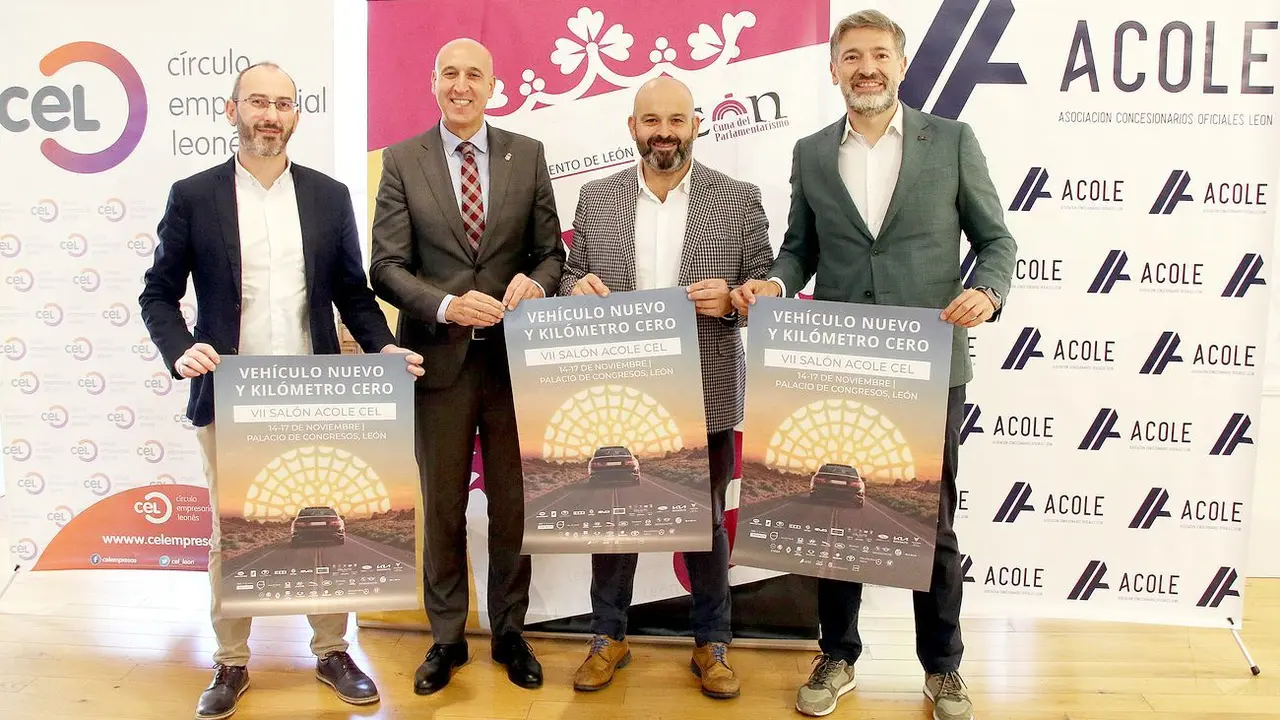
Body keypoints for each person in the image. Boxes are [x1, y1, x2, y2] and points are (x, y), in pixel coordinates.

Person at [730, 9, 1016, 720]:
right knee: (838, 517)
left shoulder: (950, 141)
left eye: (879, 55)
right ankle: (838, 654)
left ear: (900, 63)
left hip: (928, 363)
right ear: (834, 69)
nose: (866, 68)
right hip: (839, 362)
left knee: (934, 523)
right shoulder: (810, 152)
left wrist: (987, 290)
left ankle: (942, 668)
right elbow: (800, 248)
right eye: (852, 56)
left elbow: (997, 240)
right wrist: (774, 281)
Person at [138, 62, 425, 720]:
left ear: (297, 114)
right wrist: (181, 350)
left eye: (283, 104)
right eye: (258, 102)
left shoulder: (327, 197)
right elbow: (157, 292)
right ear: (231, 109)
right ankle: (230, 663)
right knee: (228, 534)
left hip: (315, 391)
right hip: (228, 394)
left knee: (326, 528)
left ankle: (331, 650)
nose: (270, 114)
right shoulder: (194, 195)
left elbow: (353, 295)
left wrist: (382, 348)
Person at [559, 76, 774, 699]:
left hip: (704, 385)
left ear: (696, 125)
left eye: (676, 120)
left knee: (706, 521)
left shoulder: (737, 198)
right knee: (613, 516)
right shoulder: (596, 199)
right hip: (617, 392)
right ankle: (609, 636)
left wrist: (735, 301)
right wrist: (575, 287)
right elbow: (574, 271)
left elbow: (762, 281)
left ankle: (712, 644)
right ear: (632, 127)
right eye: (651, 120)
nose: (664, 132)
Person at [368, 37, 565, 694]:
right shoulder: (402, 161)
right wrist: (448, 305)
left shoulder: (527, 154)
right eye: (449, 72)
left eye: (473, 74)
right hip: (439, 364)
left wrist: (535, 285)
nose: (461, 84)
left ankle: (510, 631)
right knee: (443, 507)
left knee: (513, 508)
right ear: (433, 82)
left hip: (515, 367)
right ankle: (446, 638)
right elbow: (386, 266)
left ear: (492, 85)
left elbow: (549, 253)